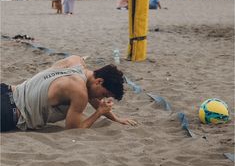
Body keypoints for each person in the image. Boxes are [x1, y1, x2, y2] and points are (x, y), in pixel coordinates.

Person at [0, 55, 137, 132]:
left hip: (7, 89)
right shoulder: (80, 92)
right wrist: (98, 113)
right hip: (9, 112)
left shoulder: (75, 61)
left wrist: (116, 119)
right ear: (99, 81)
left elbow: (92, 96)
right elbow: (73, 128)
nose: (101, 98)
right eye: (104, 94)